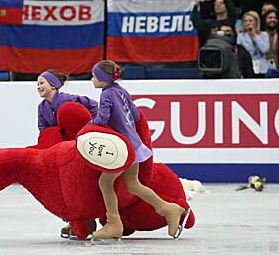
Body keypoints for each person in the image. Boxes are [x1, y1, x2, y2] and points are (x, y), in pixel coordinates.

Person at [89, 60, 190, 240]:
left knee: (105, 182)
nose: (92, 79)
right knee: (133, 185)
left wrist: (88, 125)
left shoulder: (106, 95)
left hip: (123, 149)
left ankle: (113, 224)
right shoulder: (122, 91)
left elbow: (102, 118)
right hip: (134, 145)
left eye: (94, 76)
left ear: (103, 79)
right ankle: (168, 209)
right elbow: (135, 115)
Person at [36, 69, 99, 238]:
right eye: (37, 84)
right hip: (62, 152)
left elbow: (93, 105)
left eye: (42, 82)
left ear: (54, 85)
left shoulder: (67, 100)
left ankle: (88, 219)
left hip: (79, 147)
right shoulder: (42, 107)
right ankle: (77, 220)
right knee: (67, 186)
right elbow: (43, 129)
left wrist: (91, 127)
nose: (38, 86)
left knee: (81, 183)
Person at [236, 10, 270, 76]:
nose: (248, 23)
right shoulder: (240, 36)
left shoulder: (264, 35)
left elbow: (265, 49)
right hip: (247, 68)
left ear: (256, 22)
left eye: (250, 21)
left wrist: (254, 35)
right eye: (245, 21)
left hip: (262, 68)